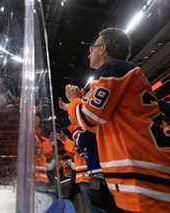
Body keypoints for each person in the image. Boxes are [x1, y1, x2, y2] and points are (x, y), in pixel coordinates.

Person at [65, 28, 170, 212]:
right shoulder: (124, 73)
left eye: (92, 47)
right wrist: (79, 101)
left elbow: (89, 117)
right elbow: (101, 119)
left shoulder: (112, 68)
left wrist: (74, 100)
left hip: (142, 179)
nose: (89, 51)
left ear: (103, 48)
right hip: (147, 173)